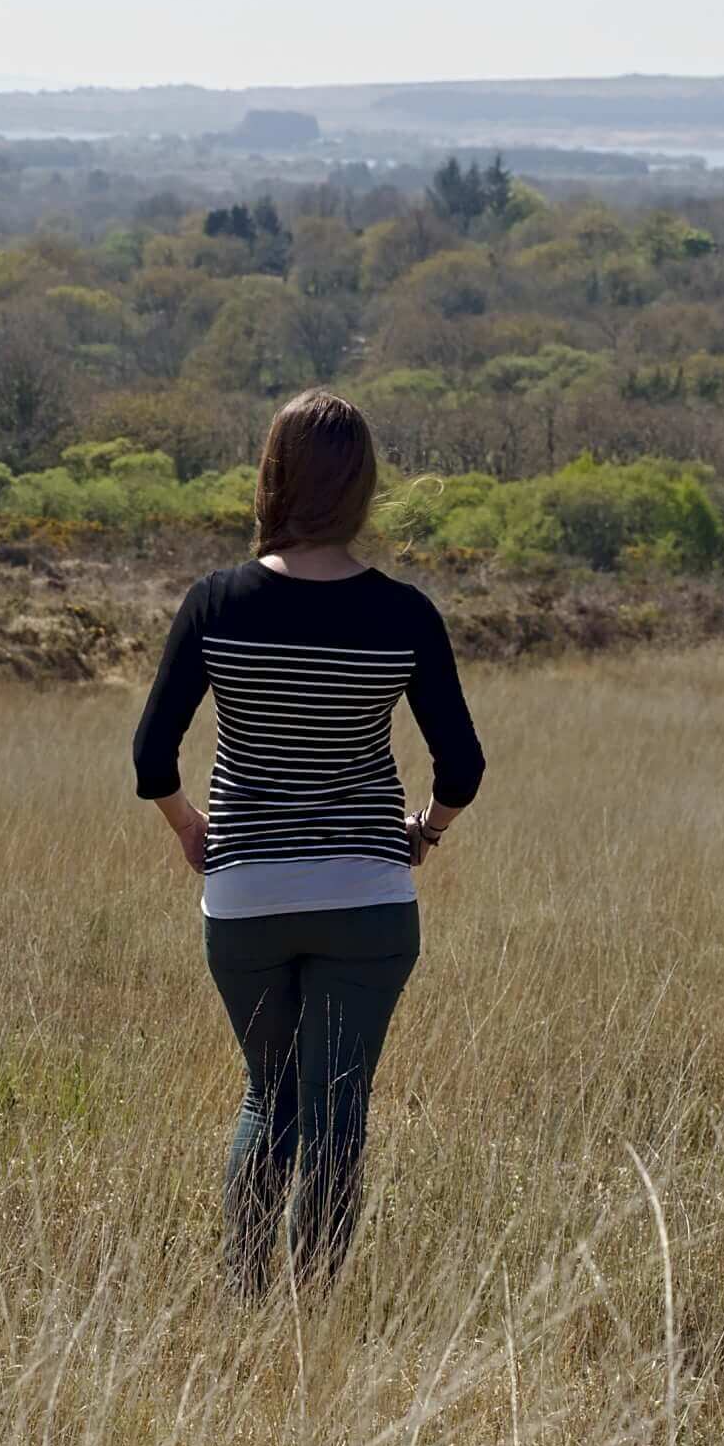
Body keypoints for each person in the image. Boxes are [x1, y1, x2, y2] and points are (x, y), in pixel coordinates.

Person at [131, 388, 486, 1294]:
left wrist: (188, 829)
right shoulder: (405, 614)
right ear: (364, 486)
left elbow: (151, 753)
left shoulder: (217, 601)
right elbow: (463, 765)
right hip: (368, 895)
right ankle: (311, 1314)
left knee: (270, 1098)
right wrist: (423, 835)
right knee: (337, 1111)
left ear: (272, 475)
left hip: (245, 892)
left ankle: (248, 1298)